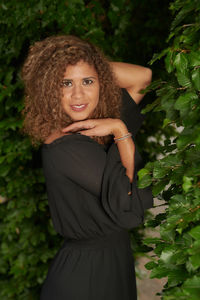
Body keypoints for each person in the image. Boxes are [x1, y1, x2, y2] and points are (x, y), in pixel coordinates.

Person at [21, 35, 154, 300]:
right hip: (87, 277)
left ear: (102, 82)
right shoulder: (67, 146)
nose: (78, 94)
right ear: (50, 88)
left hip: (107, 265)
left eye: (88, 82)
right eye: (65, 83)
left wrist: (88, 62)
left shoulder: (93, 127)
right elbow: (129, 203)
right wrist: (121, 131)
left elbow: (143, 77)